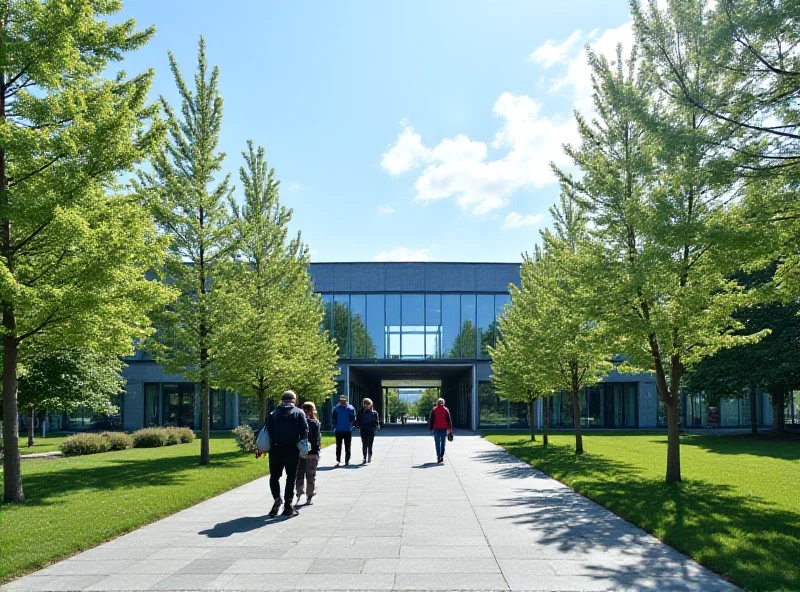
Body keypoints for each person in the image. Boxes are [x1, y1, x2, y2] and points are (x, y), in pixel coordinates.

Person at [264, 390, 308, 518]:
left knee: (274, 476)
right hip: (292, 450)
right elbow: (305, 431)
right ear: (293, 400)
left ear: (282, 400)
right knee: (291, 476)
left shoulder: (273, 413)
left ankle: (277, 499)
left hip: (276, 450)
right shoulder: (298, 413)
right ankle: (288, 504)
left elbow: (267, 430)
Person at [295, 402, 321, 505]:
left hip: (300, 453)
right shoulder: (315, 423)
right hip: (312, 452)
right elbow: (317, 439)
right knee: (311, 475)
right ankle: (309, 495)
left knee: (299, 474)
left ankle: (299, 491)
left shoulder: (297, 422)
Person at [331, 394, 355, 466]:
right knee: (338, 446)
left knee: (347, 446)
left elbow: (353, 417)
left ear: (346, 400)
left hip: (347, 430)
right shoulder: (336, 408)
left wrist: (351, 424)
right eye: (341, 400)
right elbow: (333, 418)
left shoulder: (350, 408)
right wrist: (334, 426)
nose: (343, 402)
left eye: (344, 400)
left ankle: (347, 460)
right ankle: (338, 460)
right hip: (338, 430)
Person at [428, 397, 453, 464]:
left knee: (437, 443)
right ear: (443, 403)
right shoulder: (446, 410)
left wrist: (431, 429)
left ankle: (438, 456)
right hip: (443, 429)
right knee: (443, 443)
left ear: (437, 403)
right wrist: (450, 429)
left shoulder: (434, 410)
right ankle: (441, 456)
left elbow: (431, 420)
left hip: (436, 429)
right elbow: (449, 420)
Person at [356, 398, 381, 464]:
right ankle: (364, 458)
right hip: (363, 429)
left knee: (370, 444)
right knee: (364, 444)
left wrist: (376, 428)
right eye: (364, 403)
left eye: (368, 404)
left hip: (371, 429)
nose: (366, 405)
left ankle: (369, 457)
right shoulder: (360, 412)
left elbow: (376, 422)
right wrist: (358, 426)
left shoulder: (374, 413)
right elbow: (358, 420)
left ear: (371, 404)